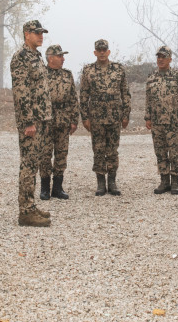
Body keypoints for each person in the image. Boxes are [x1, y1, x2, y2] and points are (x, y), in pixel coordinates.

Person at [10, 20, 53, 226]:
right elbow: (21, 91)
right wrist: (28, 121)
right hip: (31, 120)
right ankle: (25, 211)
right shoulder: (21, 57)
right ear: (27, 34)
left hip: (42, 118)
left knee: (34, 163)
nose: (41, 36)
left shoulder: (36, 56)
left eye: (42, 33)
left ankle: (31, 205)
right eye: (37, 33)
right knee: (28, 164)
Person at [79, 39, 130, 196]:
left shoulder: (118, 69)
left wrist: (126, 114)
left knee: (113, 150)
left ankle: (112, 182)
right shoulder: (88, 70)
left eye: (104, 50)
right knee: (98, 149)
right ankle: (101, 182)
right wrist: (85, 117)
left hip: (114, 115)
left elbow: (125, 93)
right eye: (98, 50)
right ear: (95, 52)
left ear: (108, 51)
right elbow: (83, 95)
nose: (101, 52)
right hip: (96, 117)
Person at [145, 46, 178, 195]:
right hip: (157, 122)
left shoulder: (177, 75)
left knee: (174, 153)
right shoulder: (152, 77)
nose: (160, 59)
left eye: (163, 57)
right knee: (160, 152)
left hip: (172, 122)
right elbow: (148, 99)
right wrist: (148, 117)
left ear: (170, 59)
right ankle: (164, 181)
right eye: (158, 57)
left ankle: (175, 182)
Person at [41, 43, 77, 201]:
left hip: (63, 120)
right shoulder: (41, 74)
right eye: (60, 56)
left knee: (61, 154)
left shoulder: (67, 75)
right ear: (50, 58)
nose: (63, 59)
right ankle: (44, 188)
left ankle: (57, 188)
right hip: (46, 121)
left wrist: (74, 119)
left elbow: (73, 99)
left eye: (63, 56)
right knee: (45, 154)